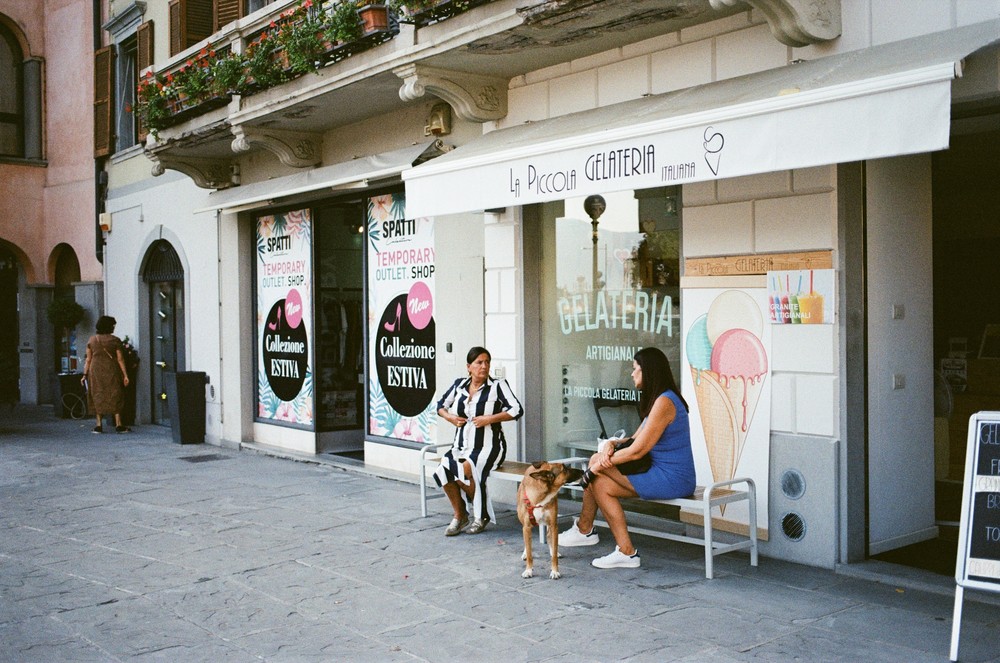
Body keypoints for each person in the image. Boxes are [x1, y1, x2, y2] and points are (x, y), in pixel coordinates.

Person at [559, 347, 695, 568]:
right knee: (600, 483)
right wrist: (612, 444)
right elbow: (633, 439)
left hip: (673, 478)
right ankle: (626, 552)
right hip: (657, 473)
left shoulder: (665, 402)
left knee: (596, 470)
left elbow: (637, 451)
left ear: (648, 371)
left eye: (635, 369)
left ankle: (585, 530)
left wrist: (599, 464)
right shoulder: (658, 400)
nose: (632, 374)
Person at [433, 346, 523, 536]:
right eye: (479, 362)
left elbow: (517, 409)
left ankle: (481, 515)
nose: (484, 366)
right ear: (469, 366)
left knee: (467, 468)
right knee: (443, 470)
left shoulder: (498, 385)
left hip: (489, 446)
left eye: (487, 362)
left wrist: (489, 419)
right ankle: (460, 515)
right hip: (461, 446)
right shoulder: (459, 385)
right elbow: (441, 405)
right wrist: (450, 418)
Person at [81, 315, 131, 434]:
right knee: (115, 393)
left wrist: (84, 375)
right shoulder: (115, 340)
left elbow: (88, 359)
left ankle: (98, 425)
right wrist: (125, 375)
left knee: (97, 394)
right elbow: (120, 359)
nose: (114, 327)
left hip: (95, 371)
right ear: (109, 326)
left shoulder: (92, 340)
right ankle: (119, 424)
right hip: (111, 370)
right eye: (113, 325)